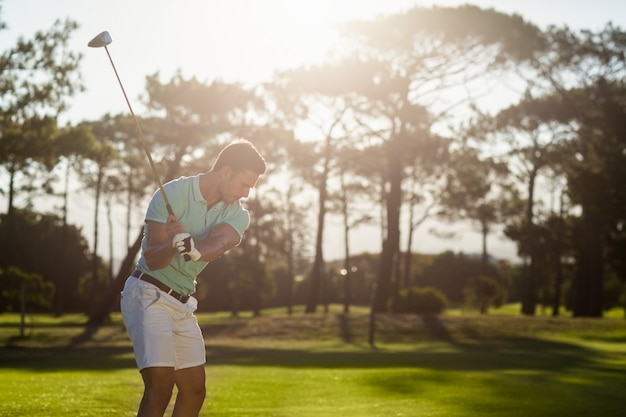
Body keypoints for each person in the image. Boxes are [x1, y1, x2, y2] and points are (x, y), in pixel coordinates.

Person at [120, 138, 266, 417]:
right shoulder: (172, 194)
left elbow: (220, 244)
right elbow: (152, 258)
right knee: (160, 386)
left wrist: (195, 250)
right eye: (243, 184)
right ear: (225, 172)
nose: (246, 193)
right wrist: (173, 243)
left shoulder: (237, 214)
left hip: (182, 303)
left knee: (195, 389)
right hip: (148, 293)